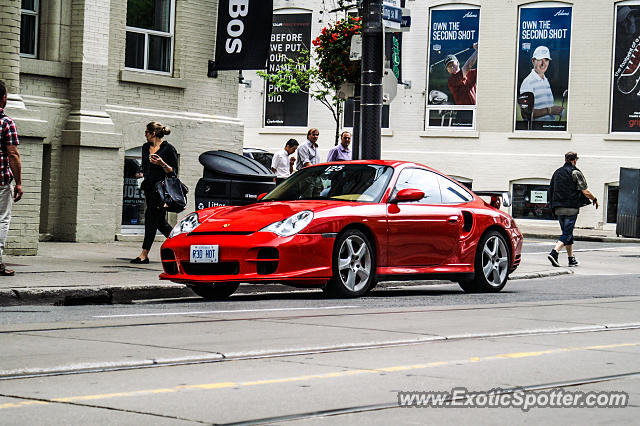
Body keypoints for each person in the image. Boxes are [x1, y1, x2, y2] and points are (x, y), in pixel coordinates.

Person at [131, 122, 179, 264]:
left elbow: (174, 172)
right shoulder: (146, 147)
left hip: (162, 190)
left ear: (153, 133)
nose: (145, 134)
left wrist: (162, 164)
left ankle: (144, 254)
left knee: (151, 218)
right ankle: (181, 242)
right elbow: (145, 168)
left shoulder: (168, 149)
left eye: (146, 132)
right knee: (159, 222)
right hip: (149, 189)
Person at [547, 152, 599, 267]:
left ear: (565, 159)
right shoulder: (575, 172)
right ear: (575, 160)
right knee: (567, 233)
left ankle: (571, 259)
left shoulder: (557, 172)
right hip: (570, 208)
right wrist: (594, 199)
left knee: (567, 233)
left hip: (558, 208)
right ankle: (554, 252)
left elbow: (550, 190)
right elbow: (585, 191)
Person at [0, 81, 23, 276]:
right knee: (1, 220)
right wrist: (19, 182)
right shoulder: (6, 123)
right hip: (1, 182)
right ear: (4, 98)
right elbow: (13, 154)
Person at [519, 46, 564, 121]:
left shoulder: (545, 80)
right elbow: (525, 114)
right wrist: (550, 110)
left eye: (546, 60)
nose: (543, 64)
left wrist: (557, 110)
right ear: (533, 61)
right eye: (540, 59)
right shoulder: (527, 83)